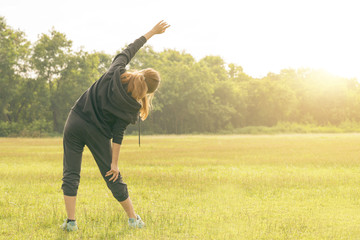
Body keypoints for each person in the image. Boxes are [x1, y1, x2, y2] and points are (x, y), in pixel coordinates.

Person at [60, 20, 170, 231]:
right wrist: (115, 164)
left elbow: (131, 48)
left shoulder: (116, 70)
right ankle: (133, 219)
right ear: (149, 92)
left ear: (143, 72)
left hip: (75, 121)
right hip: (98, 134)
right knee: (112, 175)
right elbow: (118, 135)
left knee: (71, 172)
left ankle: (71, 223)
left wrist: (152, 33)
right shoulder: (132, 107)